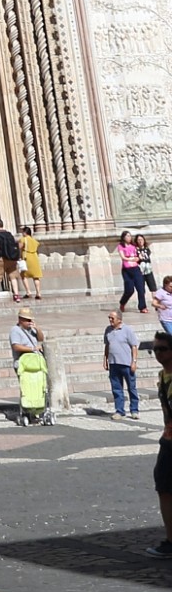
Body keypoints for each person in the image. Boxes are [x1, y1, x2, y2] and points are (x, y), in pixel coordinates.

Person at [151, 333, 172, 556]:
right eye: (155, 349)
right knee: (164, 488)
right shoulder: (162, 376)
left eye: (163, 349)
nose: (158, 353)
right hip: (168, 440)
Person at [104, 310, 140, 418]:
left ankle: (134, 410)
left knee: (131, 388)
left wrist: (134, 362)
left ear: (119, 320)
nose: (110, 320)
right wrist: (105, 360)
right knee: (116, 389)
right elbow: (107, 345)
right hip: (114, 363)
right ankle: (119, 410)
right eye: (109, 318)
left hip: (126, 364)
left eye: (112, 318)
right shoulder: (108, 330)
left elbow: (134, 346)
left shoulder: (127, 330)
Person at [15, 342, 50, 426]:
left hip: (38, 385)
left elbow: (41, 338)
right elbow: (16, 346)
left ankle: (39, 414)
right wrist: (33, 349)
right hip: (28, 386)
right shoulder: (16, 331)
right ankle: (27, 415)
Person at [118, 231, 148, 313]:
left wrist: (139, 257)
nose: (129, 237)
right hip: (127, 270)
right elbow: (123, 257)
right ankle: (122, 303)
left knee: (141, 288)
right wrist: (131, 259)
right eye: (127, 236)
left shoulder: (134, 246)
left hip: (135, 269)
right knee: (129, 290)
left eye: (130, 236)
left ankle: (142, 307)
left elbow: (140, 253)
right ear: (123, 237)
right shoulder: (121, 246)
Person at [0, 223, 22, 296]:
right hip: (11, 258)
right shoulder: (9, 234)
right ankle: (16, 294)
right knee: (13, 276)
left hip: (1, 259)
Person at [18, 223, 43, 301]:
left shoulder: (23, 239)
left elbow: (20, 247)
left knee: (24, 275)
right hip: (34, 258)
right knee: (36, 276)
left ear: (25, 232)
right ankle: (38, 293)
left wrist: (18, 256)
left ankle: (28, 292)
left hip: (26, 258)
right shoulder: (34, 240)